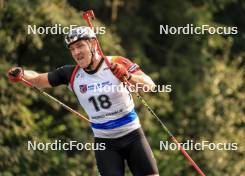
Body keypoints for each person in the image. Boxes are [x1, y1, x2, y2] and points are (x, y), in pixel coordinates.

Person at [8, 26, 159, 176]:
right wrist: (21, 74)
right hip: (105, 144)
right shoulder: (70, 74)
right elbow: (37, 79)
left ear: (93, 44)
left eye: (80, 46)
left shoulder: (115, 63)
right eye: (72, 49)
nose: (76, 52)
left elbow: (149, 86)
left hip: (133, 136)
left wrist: (129, 76)